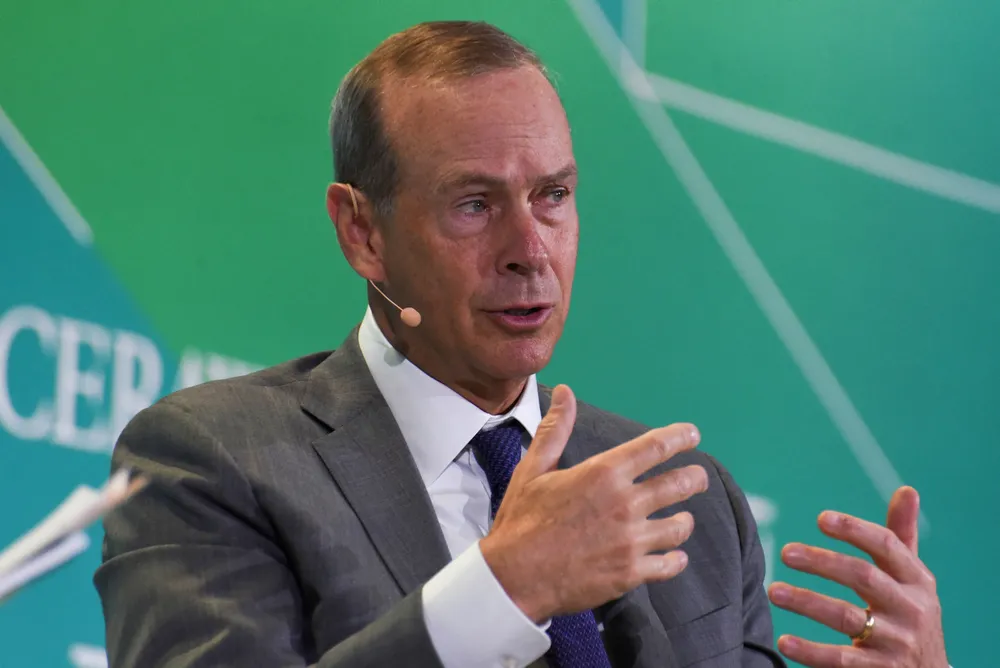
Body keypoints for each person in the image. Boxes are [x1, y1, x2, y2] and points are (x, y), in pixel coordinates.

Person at [94, 20, 949, 668]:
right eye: (474, 204)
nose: (529, 249)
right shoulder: (214, 461)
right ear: (362, 232)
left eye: (552, 196)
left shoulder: (695, 507)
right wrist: (505, 589)